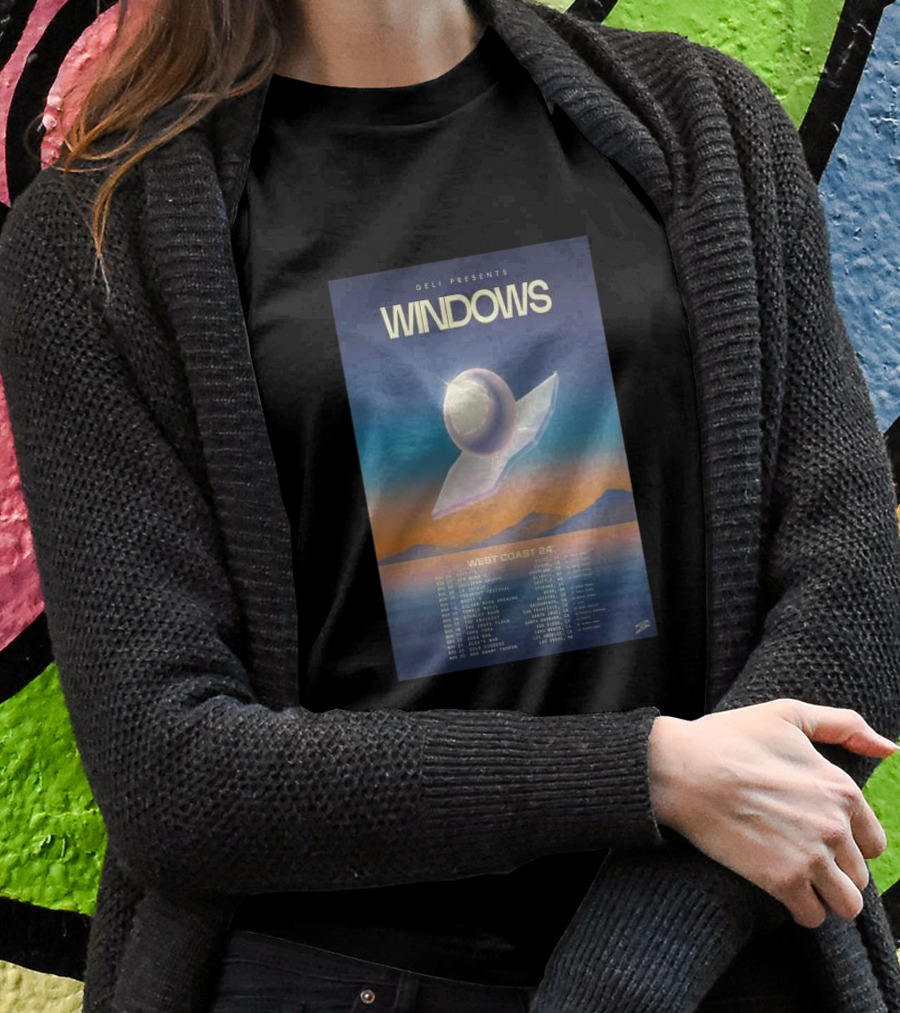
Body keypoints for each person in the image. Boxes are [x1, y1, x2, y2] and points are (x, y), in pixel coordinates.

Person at [0, 0, 899, 1010]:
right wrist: (648, 772)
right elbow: (173, 772)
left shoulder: (704, 130)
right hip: (342, 980)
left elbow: (852, 601)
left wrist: (628, 970)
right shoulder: (102, 239)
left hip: (712, 969)